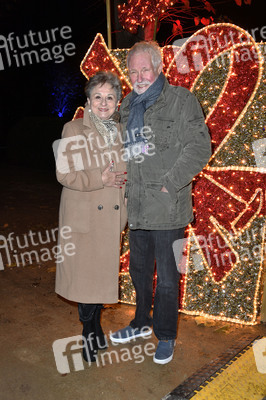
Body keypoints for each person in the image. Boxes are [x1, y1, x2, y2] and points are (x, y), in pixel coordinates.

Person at [110, 41, 212, 364]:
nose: (139, 76)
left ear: (158, 68)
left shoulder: (181, 102)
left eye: (144, 69)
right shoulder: (127, 106)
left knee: (168, 278)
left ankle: (165, 335)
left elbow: (199, 148)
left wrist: (170, 183)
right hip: (138, 207)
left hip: (168, 211)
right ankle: (141, 322)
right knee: (139, 271)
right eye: (133, 71)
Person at [54, 71, 127, 363]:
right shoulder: (72, 130)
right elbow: (64, 174)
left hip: (110, 219)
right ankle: (88, 331)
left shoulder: (122, 133)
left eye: (110, 97)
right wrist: (101, 178)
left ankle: (96, 325)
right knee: (85, 279)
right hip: (83, 217)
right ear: (88, 101)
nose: (104, 102)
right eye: (98, 97)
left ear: (118, 102)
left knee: (99, 280)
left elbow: (128, 175)